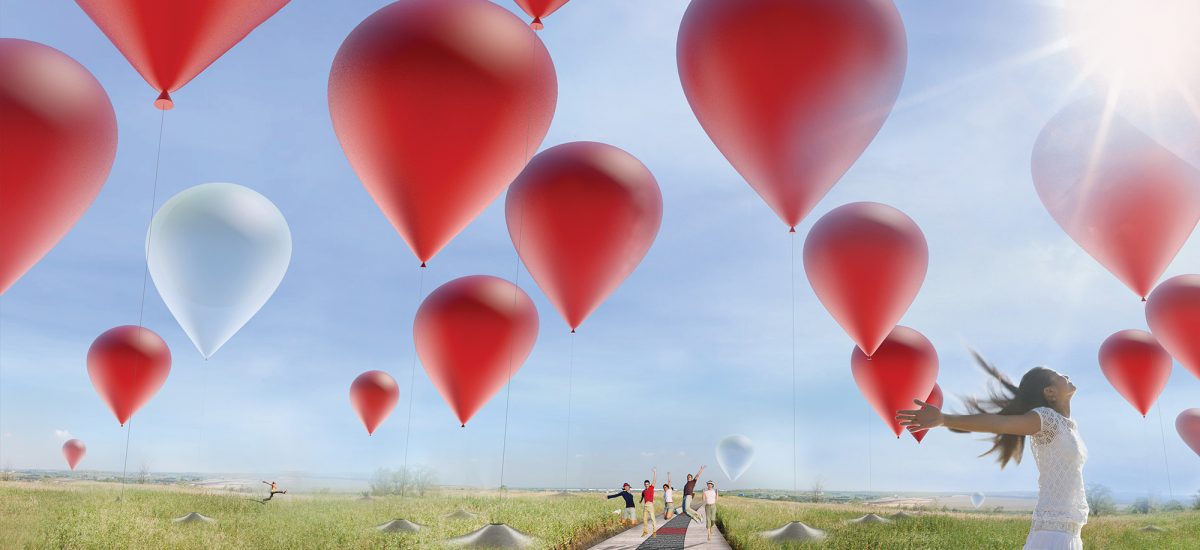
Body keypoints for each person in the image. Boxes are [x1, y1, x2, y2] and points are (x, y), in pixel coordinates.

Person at [897, 352, 1088, 550]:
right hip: (1054, 531)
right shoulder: (1046, 419)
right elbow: (1001, 423)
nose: (1066, 376)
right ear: (1050, 392)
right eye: (1059, 376)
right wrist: (944, 419)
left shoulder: (1069, 425)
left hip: (1070, 527)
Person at [639, 468, 658, 537]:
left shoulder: (651, 488)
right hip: (645, 506)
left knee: (653, 519)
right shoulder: (643, 491)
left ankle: (654, 532)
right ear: (644, 484)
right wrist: (640, 501)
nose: (646, 485)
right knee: (644, 519)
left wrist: (655, 472)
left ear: (649, 484)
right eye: (645, 484)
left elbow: (654, 480)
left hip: (650, 505)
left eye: (647, 484)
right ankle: (645, 531)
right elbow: (642, 496)